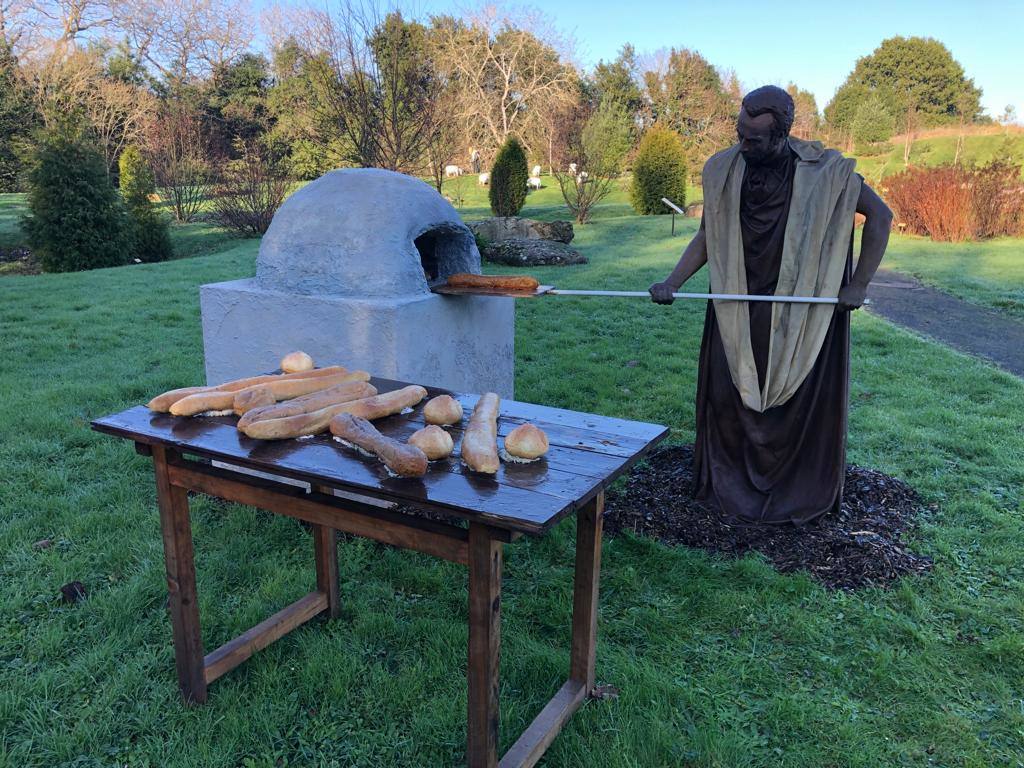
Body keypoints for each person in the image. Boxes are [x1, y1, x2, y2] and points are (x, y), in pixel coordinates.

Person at [649, 85, 893, 525]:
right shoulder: (724, 170)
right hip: (737, 305)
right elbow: (708, 235)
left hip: (805, 314)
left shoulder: (826, 174)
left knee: (797, 400)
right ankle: (729, 488)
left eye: (754, 140)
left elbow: (881, 216)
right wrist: (672, 281)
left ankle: (795, 489)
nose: (743, 145)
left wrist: (858, 285)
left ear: (781, 134)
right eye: (739, 134)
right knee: (728, 396)